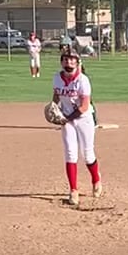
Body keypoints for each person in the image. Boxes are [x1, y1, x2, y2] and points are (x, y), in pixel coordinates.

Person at [52, 47, 101, 206]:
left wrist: (66, 118)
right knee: (70, 154)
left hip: (83, 119)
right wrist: (54, 109)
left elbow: (84, 106)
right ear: (61, 62)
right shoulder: (57, 78)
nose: (69, 62)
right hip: (67, 120)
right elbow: (56, 97)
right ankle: (73, 190)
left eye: (72, 59)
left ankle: (96, 180)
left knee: (87, 154)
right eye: (66, 59)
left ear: (77, 62)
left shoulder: (83, 80)